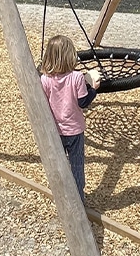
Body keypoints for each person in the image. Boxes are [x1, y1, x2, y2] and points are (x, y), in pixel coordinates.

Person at [39, 35, 100, 202]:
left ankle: (61, 196)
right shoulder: (77, 77)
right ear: (70, 56)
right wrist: (94, 89)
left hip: (55, 130)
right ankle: (78, 199)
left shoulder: (45, 79)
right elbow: (83, 102)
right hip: (74, 129)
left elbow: (42, 103)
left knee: (59, 163)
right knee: (77, 164)